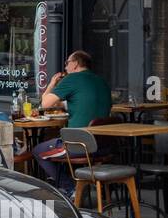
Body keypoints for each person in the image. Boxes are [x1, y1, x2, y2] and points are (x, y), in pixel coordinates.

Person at [31, 50, 112, 191]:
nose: (65, 67)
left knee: (38, 151)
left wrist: (51, 84)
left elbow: (44, 104)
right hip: (104, 145)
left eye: (67, 63)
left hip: (80, 145)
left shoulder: (72, 79)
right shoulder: (101, 81)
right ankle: (77, 186)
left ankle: (71, 188)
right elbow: (81, 103)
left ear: (75, 64)